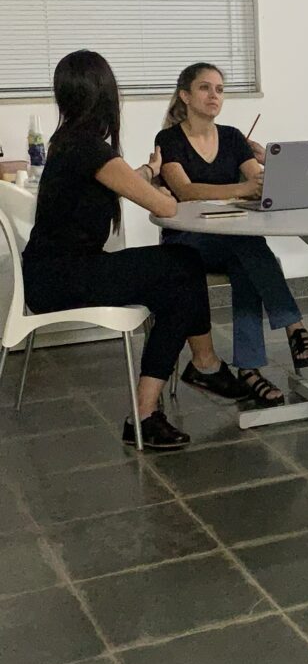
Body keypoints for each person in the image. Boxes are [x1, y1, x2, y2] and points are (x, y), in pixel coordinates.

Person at [22, 52, 249, 449]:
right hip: (64, 277)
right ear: (105, 95)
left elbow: (119, 179)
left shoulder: (68, 142)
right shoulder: (91, 149)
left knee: (179, 275)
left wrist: (148, 172)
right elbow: (165, 207)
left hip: (51, 272)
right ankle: (193, 374)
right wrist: (160, 189)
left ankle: (176, 388)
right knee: (183, 267)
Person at [155, 62, 308, 405]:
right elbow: (185, 191)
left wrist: (265, 166)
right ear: (185, 95)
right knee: (251, 249)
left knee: (247, 258)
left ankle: (249, 370)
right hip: (188, 242)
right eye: (204, 88)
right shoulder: (169, 139)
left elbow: (258, 181)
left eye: (219, 89)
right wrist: (241, 189)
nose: (214, 95)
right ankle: (294, 327)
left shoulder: (232, 137)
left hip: (231, 240)